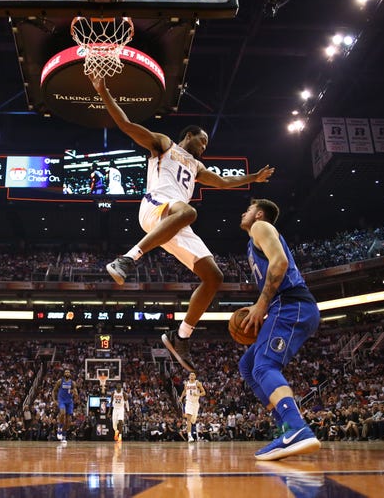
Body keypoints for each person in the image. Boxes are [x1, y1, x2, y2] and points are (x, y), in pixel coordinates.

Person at [89, 74, 275, 372]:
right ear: (189, 135)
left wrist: (252, 178)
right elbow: (126, 125)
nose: (205, 145)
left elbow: (224, 181)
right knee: (189, 211)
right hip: (155, 206)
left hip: (176, 218)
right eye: (203, 139)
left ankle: (181, 336)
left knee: (214, 276)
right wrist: (103, 92)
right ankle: (127, 259)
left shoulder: (198, 167)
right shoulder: (165, 145)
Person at [237, 199, 321, 460]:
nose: (244, 212)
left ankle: (296, 427)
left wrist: (262, 303)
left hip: (291, 303)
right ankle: (286, 429)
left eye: (248, 209)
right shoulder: (253, 240)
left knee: (263, 366)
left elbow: (280, 263)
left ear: (259, 213)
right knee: (248, 366)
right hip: (283, 305)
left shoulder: (260, 227)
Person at [178, 372, 206, 442]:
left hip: (195, 403)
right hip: (188, 402)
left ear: (195, 376)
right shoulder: (186, 383)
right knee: (188, 418)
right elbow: (184, 391)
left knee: (193, 420)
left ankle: (191, 428)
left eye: (193, 375)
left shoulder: (198, 383)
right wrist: (181, 397)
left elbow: (204, 392)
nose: (192, 376)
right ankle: (189, 436)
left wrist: (197, 394)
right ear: (189, 377)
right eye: (190, 375)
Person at [52, 369, 78, 442]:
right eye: (66, 372)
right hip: (61, 400)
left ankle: (64, 435)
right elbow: (54, 391)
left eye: (68, 372)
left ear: (70, 374)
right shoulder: (60, 381)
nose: (67, 373)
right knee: (62, 413)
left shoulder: (73, 383)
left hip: (69, 401)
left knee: (68, 420)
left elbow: (76, 392)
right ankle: (59, 428)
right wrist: (54, 400)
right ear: (64, 374)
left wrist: (76, 396)